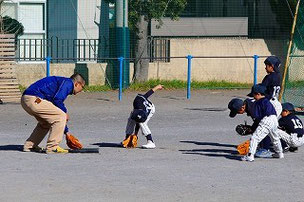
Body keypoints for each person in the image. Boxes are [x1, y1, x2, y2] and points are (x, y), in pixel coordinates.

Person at [21, 73, 85, 154]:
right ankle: (52, 147)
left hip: (27, 99)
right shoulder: (68, 83)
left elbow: (55, 104)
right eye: (82, 87)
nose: (81, 90)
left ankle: (30, 146)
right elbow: (57, 100)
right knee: (61, 115)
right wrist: (65, 113)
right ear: (77, 84)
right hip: (34, 99)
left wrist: (67, 132)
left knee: (46, 122)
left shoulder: (62, 82)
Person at [228, 84, 284, 161]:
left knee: (255, 137)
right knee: (274, 137)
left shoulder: (253, 105)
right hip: (272, 116)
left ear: (242, 107)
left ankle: (251, 155)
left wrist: (253, 129)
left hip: (271, 113)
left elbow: (259, 119)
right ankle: (280, 153)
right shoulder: (255, 102)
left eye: (237, 112)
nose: (253, 97)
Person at [123, 84, 163, 149]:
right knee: (131, 119)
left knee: (142, 123)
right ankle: (127, 139)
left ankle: (151, 142)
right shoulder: (138, 101)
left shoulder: (146, 111)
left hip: (150, 109)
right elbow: (147, 94)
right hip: (140, 109)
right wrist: (157, 87)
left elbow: (138, 121)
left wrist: (135, 134)